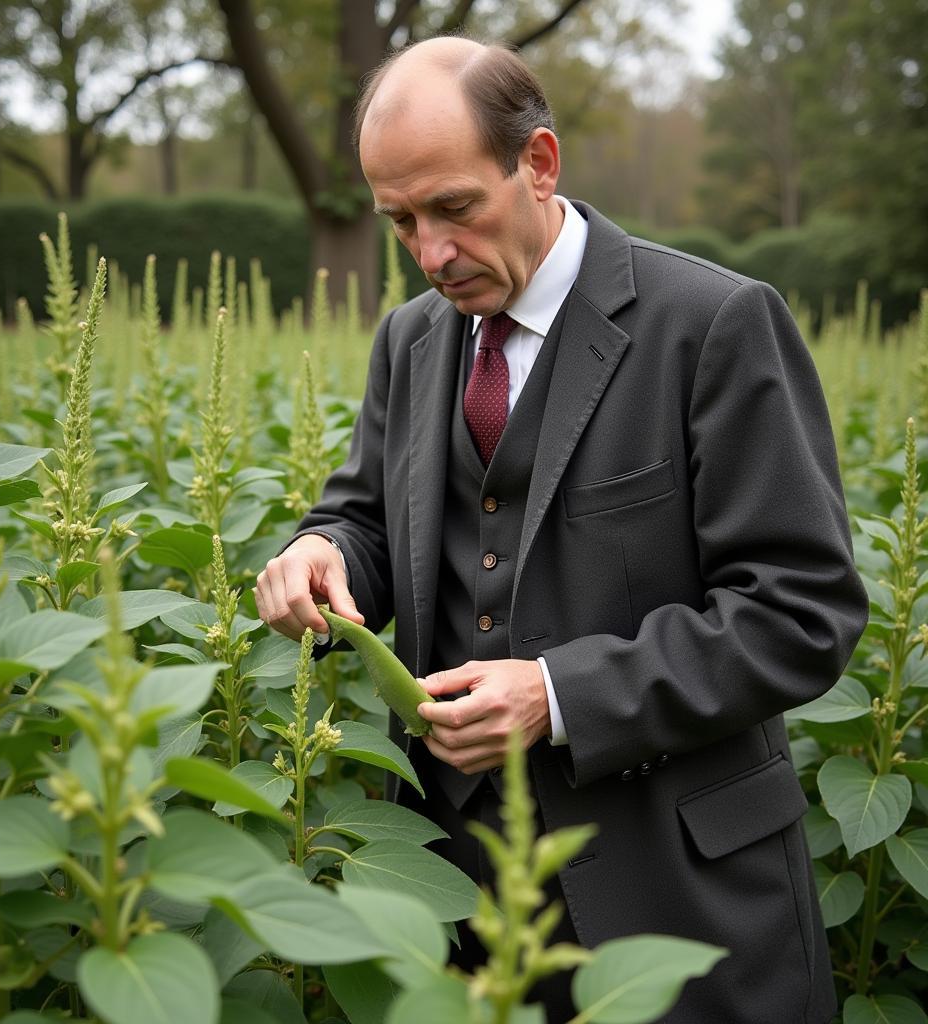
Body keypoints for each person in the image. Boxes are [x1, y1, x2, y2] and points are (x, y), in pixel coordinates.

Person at [254, 35, 867, 1024]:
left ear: (539, 163)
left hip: (676, 904)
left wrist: (556, 693)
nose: (431, 254)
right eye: (399, 221)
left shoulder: (712, 324)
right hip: (455, 897)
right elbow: (365, 511)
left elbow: (803, 614)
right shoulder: (408, 341)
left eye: (454, 208)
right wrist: (318, 549)